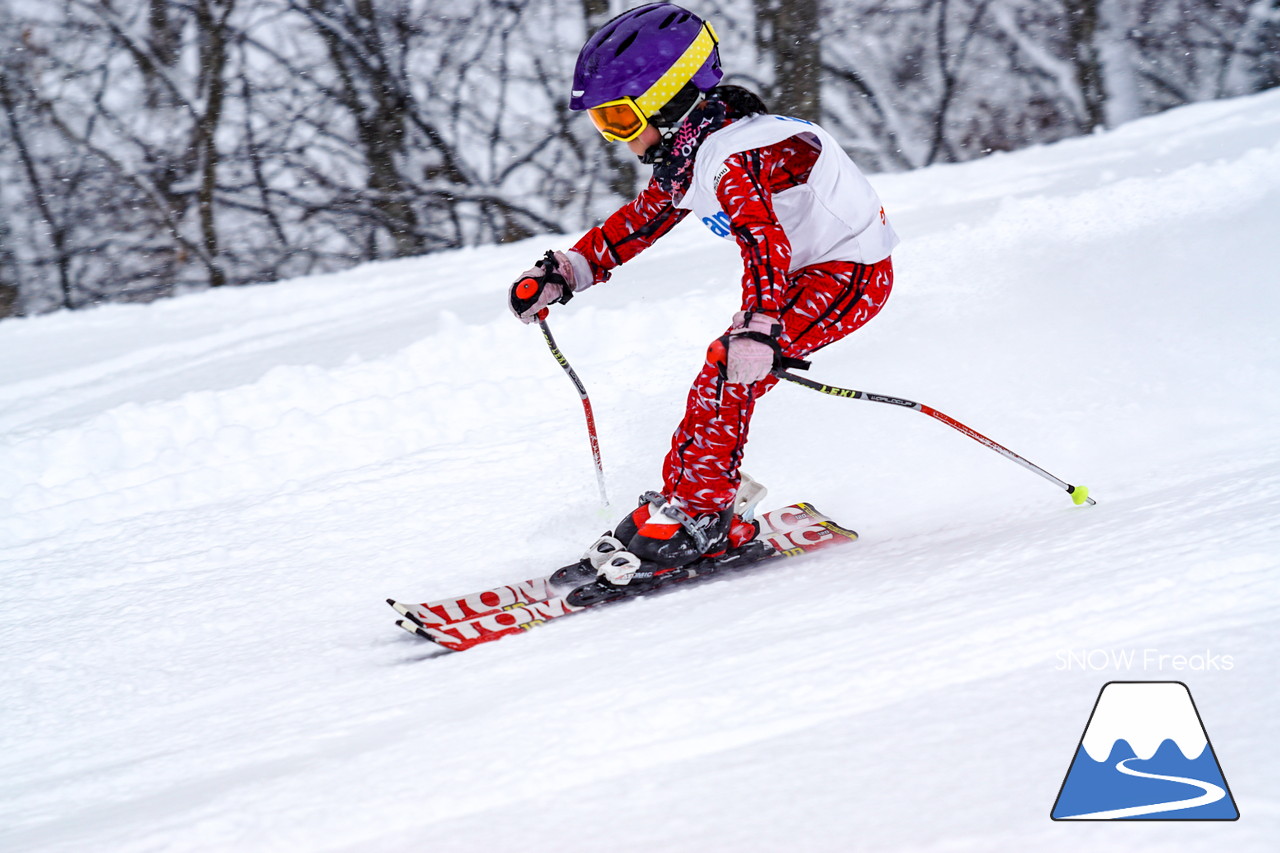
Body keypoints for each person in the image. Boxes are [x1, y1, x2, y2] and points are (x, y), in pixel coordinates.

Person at [509, 2, 898, 581]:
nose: (615, 138)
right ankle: (693, 499)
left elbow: (762, 241)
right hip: (800, 276)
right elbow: (642, 219)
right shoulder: (699, 150)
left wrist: (762, 327)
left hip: (850, 274)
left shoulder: (736, 157)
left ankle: (703, 513)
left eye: (618, 120)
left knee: (727, 369)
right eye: (602, 124)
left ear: (667, 102)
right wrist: (569, 270)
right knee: (721, 373)